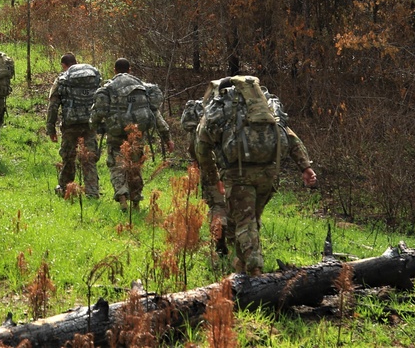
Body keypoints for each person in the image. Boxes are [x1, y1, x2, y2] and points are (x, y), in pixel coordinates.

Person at [194, 75, 317, 276]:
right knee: (250, 218)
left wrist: (213, 177)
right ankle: (240, 265)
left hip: (238, 174)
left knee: (245, 221)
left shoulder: (220, 108)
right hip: (268, 173)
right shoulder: (264, 105)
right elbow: (289, 136)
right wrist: (305, 167)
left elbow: (202, 148)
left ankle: (255, 270)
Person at [89, 57, 174, 210]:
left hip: (116, 134)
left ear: (114, 70)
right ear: (130, 70)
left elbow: (97, 113)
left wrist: (93, 128)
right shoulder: (142, 88)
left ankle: (122, 196)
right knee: (135, 167)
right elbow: (156, 115)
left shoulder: (109, 89)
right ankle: (135, 200)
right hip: (136, 134)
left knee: (116, 166)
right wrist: (167, 138)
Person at [46, 54, 100, 198]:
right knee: (89, 158)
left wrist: (50, 128)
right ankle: (93, 192)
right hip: (89, 124)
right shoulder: (92, 77)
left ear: (64, 65)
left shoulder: (62, 79)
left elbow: (53, 105)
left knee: (68, 157)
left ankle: (65, 188)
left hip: (70, 125)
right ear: (76, 62)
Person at [182, 94, 229, 256]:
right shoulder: (238, 110)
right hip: (236, 165)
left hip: (210, 164)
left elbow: (194, 146)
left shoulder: (204, 113)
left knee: (217, 205)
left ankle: (218, 235)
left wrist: (196, 161)